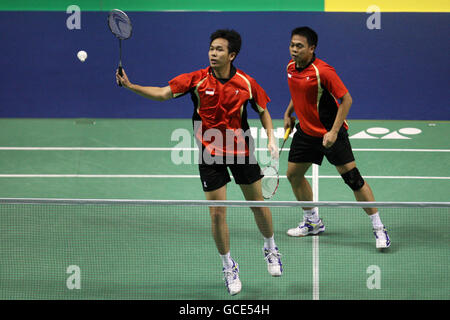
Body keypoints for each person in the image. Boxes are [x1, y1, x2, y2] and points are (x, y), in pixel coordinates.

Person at [116, 29, 283, 295]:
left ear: (232, 55)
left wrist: (271, 139)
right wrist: (131, 85)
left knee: (257, 206)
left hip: (241, 151)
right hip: (209, 154)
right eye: (211, 49)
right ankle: (228, 266)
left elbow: (263, 110)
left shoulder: (246, 83)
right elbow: (162, 94)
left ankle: (270, 248)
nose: (213, 54)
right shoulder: (196, 80)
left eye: (219, 50)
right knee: (217, 214)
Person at [283, 26, 391, 249]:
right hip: (306, 132)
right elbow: (298, 92)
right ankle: (313, 222)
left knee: (353, 180)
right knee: (293, 175)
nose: (294, 49)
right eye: (292, 45)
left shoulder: (323, 71)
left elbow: (347, 99)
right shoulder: (291, 68)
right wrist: (288, 113)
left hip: (330, 133)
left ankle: (379, 227)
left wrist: (333, 131)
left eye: (299, 46)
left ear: (312, 48)